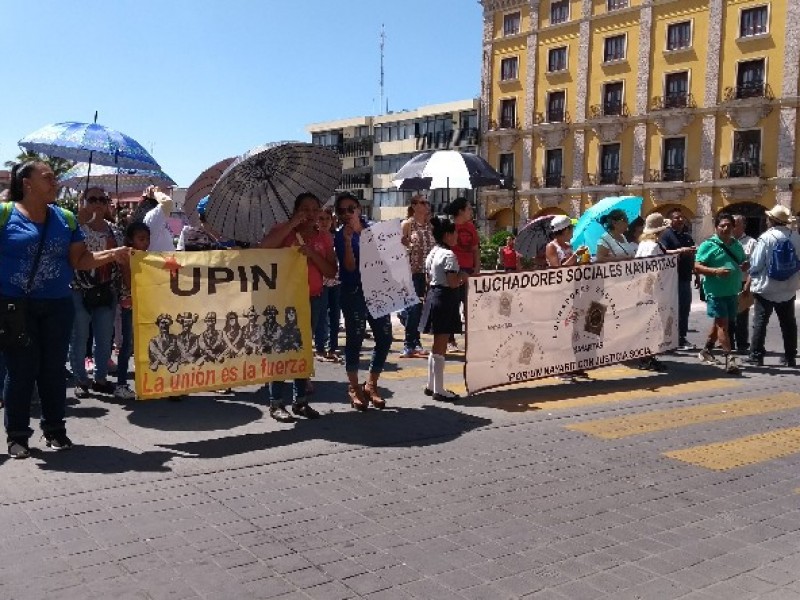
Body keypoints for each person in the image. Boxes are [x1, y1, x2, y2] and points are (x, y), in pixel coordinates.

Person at [0, 161, 130, 458]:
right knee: (20, 372)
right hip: (15, 308)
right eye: (48, 177)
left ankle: (55, 430)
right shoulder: (5, 215)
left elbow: (80, 260)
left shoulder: (66, 219)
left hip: (58, 306)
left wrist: (114, 253)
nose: (54, 182)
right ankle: (18, 436)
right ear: (27, 183)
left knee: (53, 372)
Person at [260, 192, 336, 422]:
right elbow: (264, 249)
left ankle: (300, 401)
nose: (311, 214)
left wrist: (312, 254)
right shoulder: (284, 230)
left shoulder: (323, 237)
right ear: (295, 210)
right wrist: (292, 224)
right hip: (285, 300)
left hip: (314, 299)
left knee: (304, 350)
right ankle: (276, 403)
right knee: (281, 349)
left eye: (315, 209)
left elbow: (331, 271)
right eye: (305, 209)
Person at [333, 192, 393, 411]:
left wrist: (361, 232)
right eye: (341, 211)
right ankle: (353, 387)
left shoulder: (374, 229)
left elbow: (386, 254)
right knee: (355, 339)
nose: (346, 214)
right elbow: (348, 267)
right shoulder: (340, 236)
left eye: (351, 209)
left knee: (385, 337)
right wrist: (349, 241)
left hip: (376, 289)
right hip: (354, 292)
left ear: (359, 208)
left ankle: (371, 384)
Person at [70, 188, 125, 399]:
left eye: (103, 199)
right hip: (78, 290)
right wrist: (79, 221)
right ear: (83, 201)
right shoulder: (75, 228)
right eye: (92, 199)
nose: (98, 203)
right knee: (79, 337)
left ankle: (100, 379)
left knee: (104, 338)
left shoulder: (116, 231)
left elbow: (121, 262)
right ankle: (81, 380)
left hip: (106, 290)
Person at [746, 205, 800, 367]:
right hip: (788, 288)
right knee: (788, 323)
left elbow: (756, 264)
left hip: (766, 288)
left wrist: (752, 278)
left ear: (771, 220)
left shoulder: (766, 238)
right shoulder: (795, 236)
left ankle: (756, 356)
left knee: (760, 322)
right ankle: (790, 356)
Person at [694, 212, 748, 374]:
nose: (725, 228)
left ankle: (706, 350)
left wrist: (744, 266)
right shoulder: (708, 245)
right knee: (723, 324)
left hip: (732, 291)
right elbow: (697, 266)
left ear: (733, 227)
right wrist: (716, 271)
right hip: (715, 291)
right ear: (716, 227)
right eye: (722, 225)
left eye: (728, 225)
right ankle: (729, 358)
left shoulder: (736, 245)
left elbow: (740, 262)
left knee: (720, 322)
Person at [422, 217, 469, 401]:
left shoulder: (433, 252)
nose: (457, 235)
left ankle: (431, 384)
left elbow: (427, 278)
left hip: (434, 295)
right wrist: (462, 277)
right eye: (455, 232)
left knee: (436, 345)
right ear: (447, 235)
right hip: (445, 298)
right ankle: (439, 389)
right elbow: (451, 282)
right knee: (441, 345)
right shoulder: (449, 255)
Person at [633, 213, 674, 372]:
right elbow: (653, 268)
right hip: (652, 289)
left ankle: (646, 356)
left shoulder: (644, 243)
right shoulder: (654, 246)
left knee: (647, 324)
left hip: (643, 288)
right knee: (653, 324)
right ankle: (647, 357)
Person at [114, 221, 151, 400]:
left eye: (147, 239)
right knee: (127, 345)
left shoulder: (146, 256)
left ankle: (145, 381)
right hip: (129, 305)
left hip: (144, 304)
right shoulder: (127, 257)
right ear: (130, 239)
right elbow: (129, 282)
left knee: (143, 344)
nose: (145, 243)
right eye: (141, 239)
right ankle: (121, 383)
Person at [399, 195, 434, 358]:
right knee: (414, 308)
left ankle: (416, 341)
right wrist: (406, 246)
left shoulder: (430, 226)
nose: (426, 205)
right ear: (414, 206)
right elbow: (396, 247)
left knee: (420, 308)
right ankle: (409, 344)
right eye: (422, 202)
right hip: (412, 272)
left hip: (428, 272)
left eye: (427, 202)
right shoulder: (407, 224)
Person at [444, 197, 480, 352]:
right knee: (452, 306)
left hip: (469, 270)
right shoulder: (448, 227)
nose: (471, 211)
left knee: (470, 307)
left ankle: (471, 339)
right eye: (469, 208)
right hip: (453, 270)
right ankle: (450, 340)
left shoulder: (471, 227)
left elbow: (475, 249)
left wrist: (477, 268)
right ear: (461, 211)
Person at [659, 208, 697, 350]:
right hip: (672, 278)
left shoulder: (687, 236)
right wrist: (681, 251)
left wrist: (696, 275)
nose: (680, 220)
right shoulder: (666, 235)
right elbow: (663, 252)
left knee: (684, 308)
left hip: (686, 278)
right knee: (672, 309)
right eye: (677, 218)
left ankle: (682, 337)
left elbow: (693, 256)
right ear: (670, 221)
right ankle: (670, 337)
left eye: (682, 217)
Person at [314, 207, 341, 362]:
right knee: (321, 315)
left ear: (332, 221)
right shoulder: (315, 237)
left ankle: (332, 348)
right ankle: (320, 348)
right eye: (321, 218)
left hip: (337, 281)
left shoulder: (337, 237)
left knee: (335, 315)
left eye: (327, 219)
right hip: (320, 282)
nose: (324, 222)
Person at [729, 214, 757, 355]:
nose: (733, 226)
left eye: (736, 223)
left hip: (742, 283)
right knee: (728, 315)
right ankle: (729, 343)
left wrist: (748, 285)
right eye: (731, 223)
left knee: (741, 316)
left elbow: (755, 266)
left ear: (744, 225)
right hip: (727, 283)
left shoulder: (751, 242)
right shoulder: (726, 242)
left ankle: (742, 344)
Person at [141, 186, 175, 252]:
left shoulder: (154, 217)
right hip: (159, 260)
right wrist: (156, 192)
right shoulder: (152, 216)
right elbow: (167, 202)